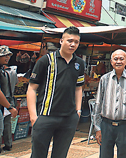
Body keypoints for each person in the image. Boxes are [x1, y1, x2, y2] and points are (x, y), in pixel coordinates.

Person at [27, 26, 85, 158]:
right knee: (38, 154)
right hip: (46, 116)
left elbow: (78, 88)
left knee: (60, 155)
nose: (73, 44)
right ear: (61, 41)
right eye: (69, 40)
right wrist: (33, 116)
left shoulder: (80, 63)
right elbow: (31, 88)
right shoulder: (45, 61)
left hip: (69, 118)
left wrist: (78, 111)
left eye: (76, 42)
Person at [94, 49, 126, 158]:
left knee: (124, 155)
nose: (118, 61)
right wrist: (98, 128)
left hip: (124, 126)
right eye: (115, 59)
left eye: (121, 59)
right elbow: (98, 103)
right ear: (111, 61)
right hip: (106, 125)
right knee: (105, 155)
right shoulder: (104, 79)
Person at [0, 64, 17, 153]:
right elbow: (16, 83)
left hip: (2, 100)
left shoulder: (1, 73)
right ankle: (8, 144)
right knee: (7, 124)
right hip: (10, 100)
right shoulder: (13, 72)